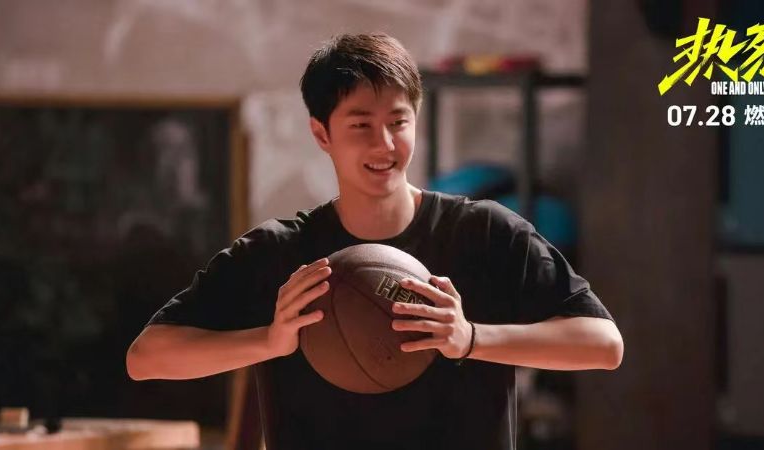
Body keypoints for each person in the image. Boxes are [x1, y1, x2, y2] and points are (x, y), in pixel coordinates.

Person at [126, 33, 623, 450]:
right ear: (322, 134)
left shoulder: (487, 233)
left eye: (398, 122)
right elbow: (146, 358)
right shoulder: (277, 253)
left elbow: (604, 344)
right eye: (361, 125)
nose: (384, 144)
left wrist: (470, 338)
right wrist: (269, 341)